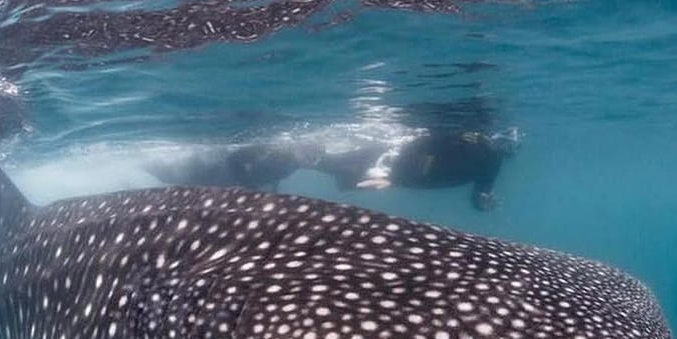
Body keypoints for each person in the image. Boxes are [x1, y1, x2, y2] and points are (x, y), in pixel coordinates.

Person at [146, 126, 520, 210]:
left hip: (391, 176)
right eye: (503, 139)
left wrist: (485, 201)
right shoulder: (469, 139)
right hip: (387, 163)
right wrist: (390, 165)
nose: (502, 146)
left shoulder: (492, 161)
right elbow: (424, 140)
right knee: (323, 161)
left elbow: (479, 194)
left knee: (327, 167)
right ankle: (267, 162)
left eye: (508, 144)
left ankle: (267, 168)